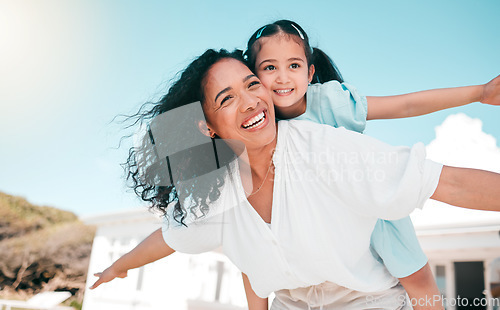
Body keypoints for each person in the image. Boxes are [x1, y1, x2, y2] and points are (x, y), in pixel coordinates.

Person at [90, 49, 500, 310]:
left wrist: (480, 92)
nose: (251, 100)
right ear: (206, 128)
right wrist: (118, 267)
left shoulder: (322, 148)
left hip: (368, 302)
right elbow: (169, 237)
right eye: (227, 98)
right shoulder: (218, 191)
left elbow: (446, 182)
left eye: (253, 84)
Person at [240, 19, 500, 309]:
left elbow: (404, 105)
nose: (283, 78)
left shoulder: (329, 102)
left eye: (294, 66)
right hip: (319, 222)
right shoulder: (253, 122)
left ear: (310, 71)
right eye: (270, 67)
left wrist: (480, 93)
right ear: (252, 75)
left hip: (366, 204)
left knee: (418, 280)